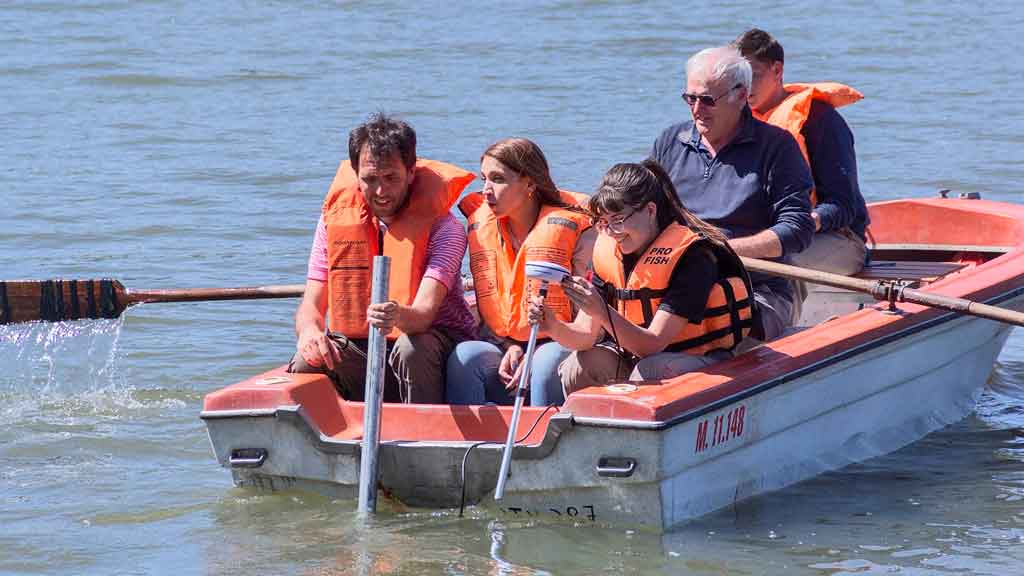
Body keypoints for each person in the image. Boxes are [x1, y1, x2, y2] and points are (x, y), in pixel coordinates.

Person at [289, 113, 477, 404]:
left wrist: (396, 315)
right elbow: (311, 304)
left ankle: (420, 437)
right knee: (307, 360)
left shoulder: (445, 229)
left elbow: (424, 314)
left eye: (391, 178)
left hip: (433, 343)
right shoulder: (332, 222)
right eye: (370, 179)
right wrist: (310, 331)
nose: (380, 191)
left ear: (411, 172)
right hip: (363, 346)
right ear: (355, 175)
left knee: (411, 348)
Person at [527, 160, 753, 394]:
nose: (612, 232)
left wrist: (602, 310)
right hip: (638, 357)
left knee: (649, 370)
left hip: (698, 361)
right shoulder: (606, 251)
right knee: (579, 365)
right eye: (603, 222)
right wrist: (552, 325)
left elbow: (653, 344)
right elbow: (584, 337)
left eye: (618, 220)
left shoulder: (693, 256)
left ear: (651, 210)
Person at [651, 45, 814, 342]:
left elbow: (798, 229)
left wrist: (725, 252)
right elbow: (642, 209)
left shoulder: (777, 148)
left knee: (701, 338)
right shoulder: (669, 142)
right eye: (690, 98)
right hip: (673, 288)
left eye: (708, 100)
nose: (697, 109)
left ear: (741, 96)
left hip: (757, 290)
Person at [447, 138, 595, 406]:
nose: (486, 190)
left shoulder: (579, 232)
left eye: (498, 179)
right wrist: (509, 345)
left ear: (529, 184)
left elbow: (588, 321)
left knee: (544, 361)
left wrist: (533, 350)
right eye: (484, 179)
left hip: (563, 339)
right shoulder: (483, 229)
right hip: (508, 342)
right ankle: (468, 446)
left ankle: (539, 444)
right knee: (465, 356)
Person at [734, 28, 869, 277]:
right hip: (766, 236)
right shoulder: (736, 123)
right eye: (738, 79)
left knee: (778, 261)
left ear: (777, 70)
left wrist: (805, 223)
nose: (746, 88)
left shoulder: (820, 120)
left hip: (837, 238)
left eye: (754, 76)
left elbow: (843, 204)